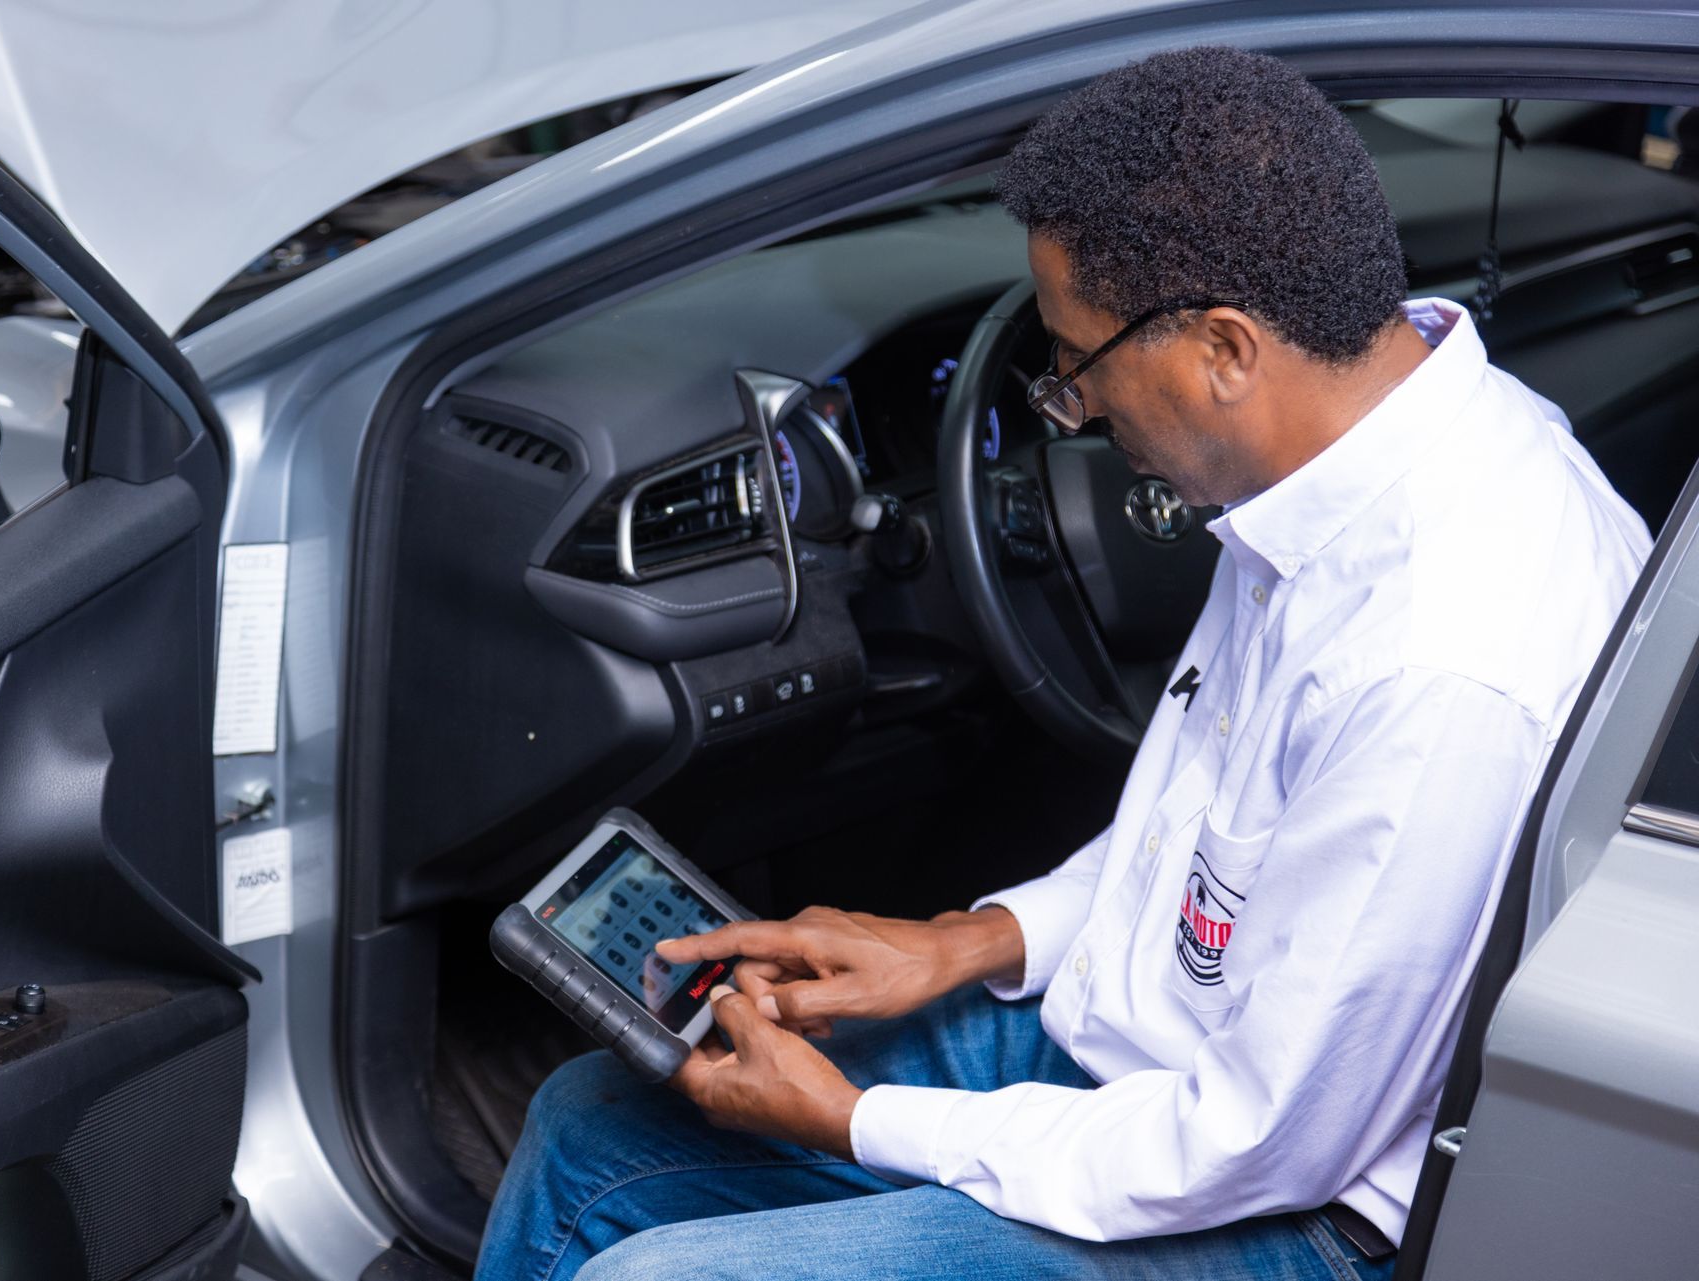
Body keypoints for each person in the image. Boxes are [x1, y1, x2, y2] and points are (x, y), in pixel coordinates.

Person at [474, 44, 1651, 1281]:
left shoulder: (1440, 662)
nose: (1074, 411)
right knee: (594, 1127)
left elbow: (1250, 1141)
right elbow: (1212, 840)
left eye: (1078, 366)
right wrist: (963, 942)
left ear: (1224, 350)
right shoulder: (1343, 458)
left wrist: (855, 1121)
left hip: (1285, 1204)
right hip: (1148, 1048)